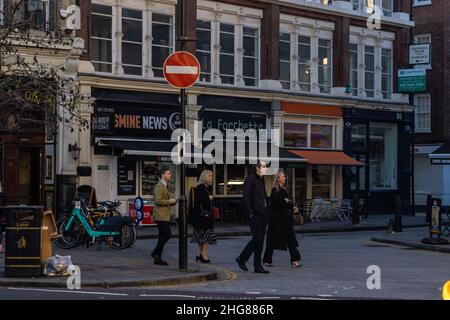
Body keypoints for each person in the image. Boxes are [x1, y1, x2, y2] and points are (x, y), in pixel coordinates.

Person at [236, 161, 270, 274]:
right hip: (254, 214)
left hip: (263, 213)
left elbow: (263, 196)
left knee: (260, 241)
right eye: (263, 167)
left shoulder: (261, 179)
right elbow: (246, 196)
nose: (265, 168)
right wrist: (250, 212)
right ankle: (242, 258)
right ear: (257, 168)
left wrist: (267, 209)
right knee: (257, 239)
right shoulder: (250, 179)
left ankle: (257, 266)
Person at [263, 171, 302, 268]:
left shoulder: (284, 190)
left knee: (290, 239)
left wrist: (291, 205)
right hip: (277, 219)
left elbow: (287, 203)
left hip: (284, 219)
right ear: (278, 178)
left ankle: (294, 260)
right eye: (283, 177)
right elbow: (275, 204)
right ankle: (268, 260)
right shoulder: (275, 190)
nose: (285, 178)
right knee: (273, 240)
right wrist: (287, 202)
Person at [151, 168, 178, 266]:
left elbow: (163, 200)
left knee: (162, 236)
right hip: (160, 216)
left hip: (164, 215)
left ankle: (158, 258)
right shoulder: (159, 186)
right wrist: (169, 201)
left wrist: (173, 202)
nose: (170, 175)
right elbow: (158, 201)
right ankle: (155, 253)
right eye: (168, 173)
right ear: (163, 175)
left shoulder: (165, 186)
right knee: (167, 234)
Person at [190, 170, 217, 263]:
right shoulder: (202, 188)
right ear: (205, 177)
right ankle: (204, 256)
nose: (212, 178)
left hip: (199, 218)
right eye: (210, 176)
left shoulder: (200, 187)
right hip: (204, 218)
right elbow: (201, 201)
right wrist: (209, 198)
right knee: (206, 238)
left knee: (201, 237)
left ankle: (199, 254)